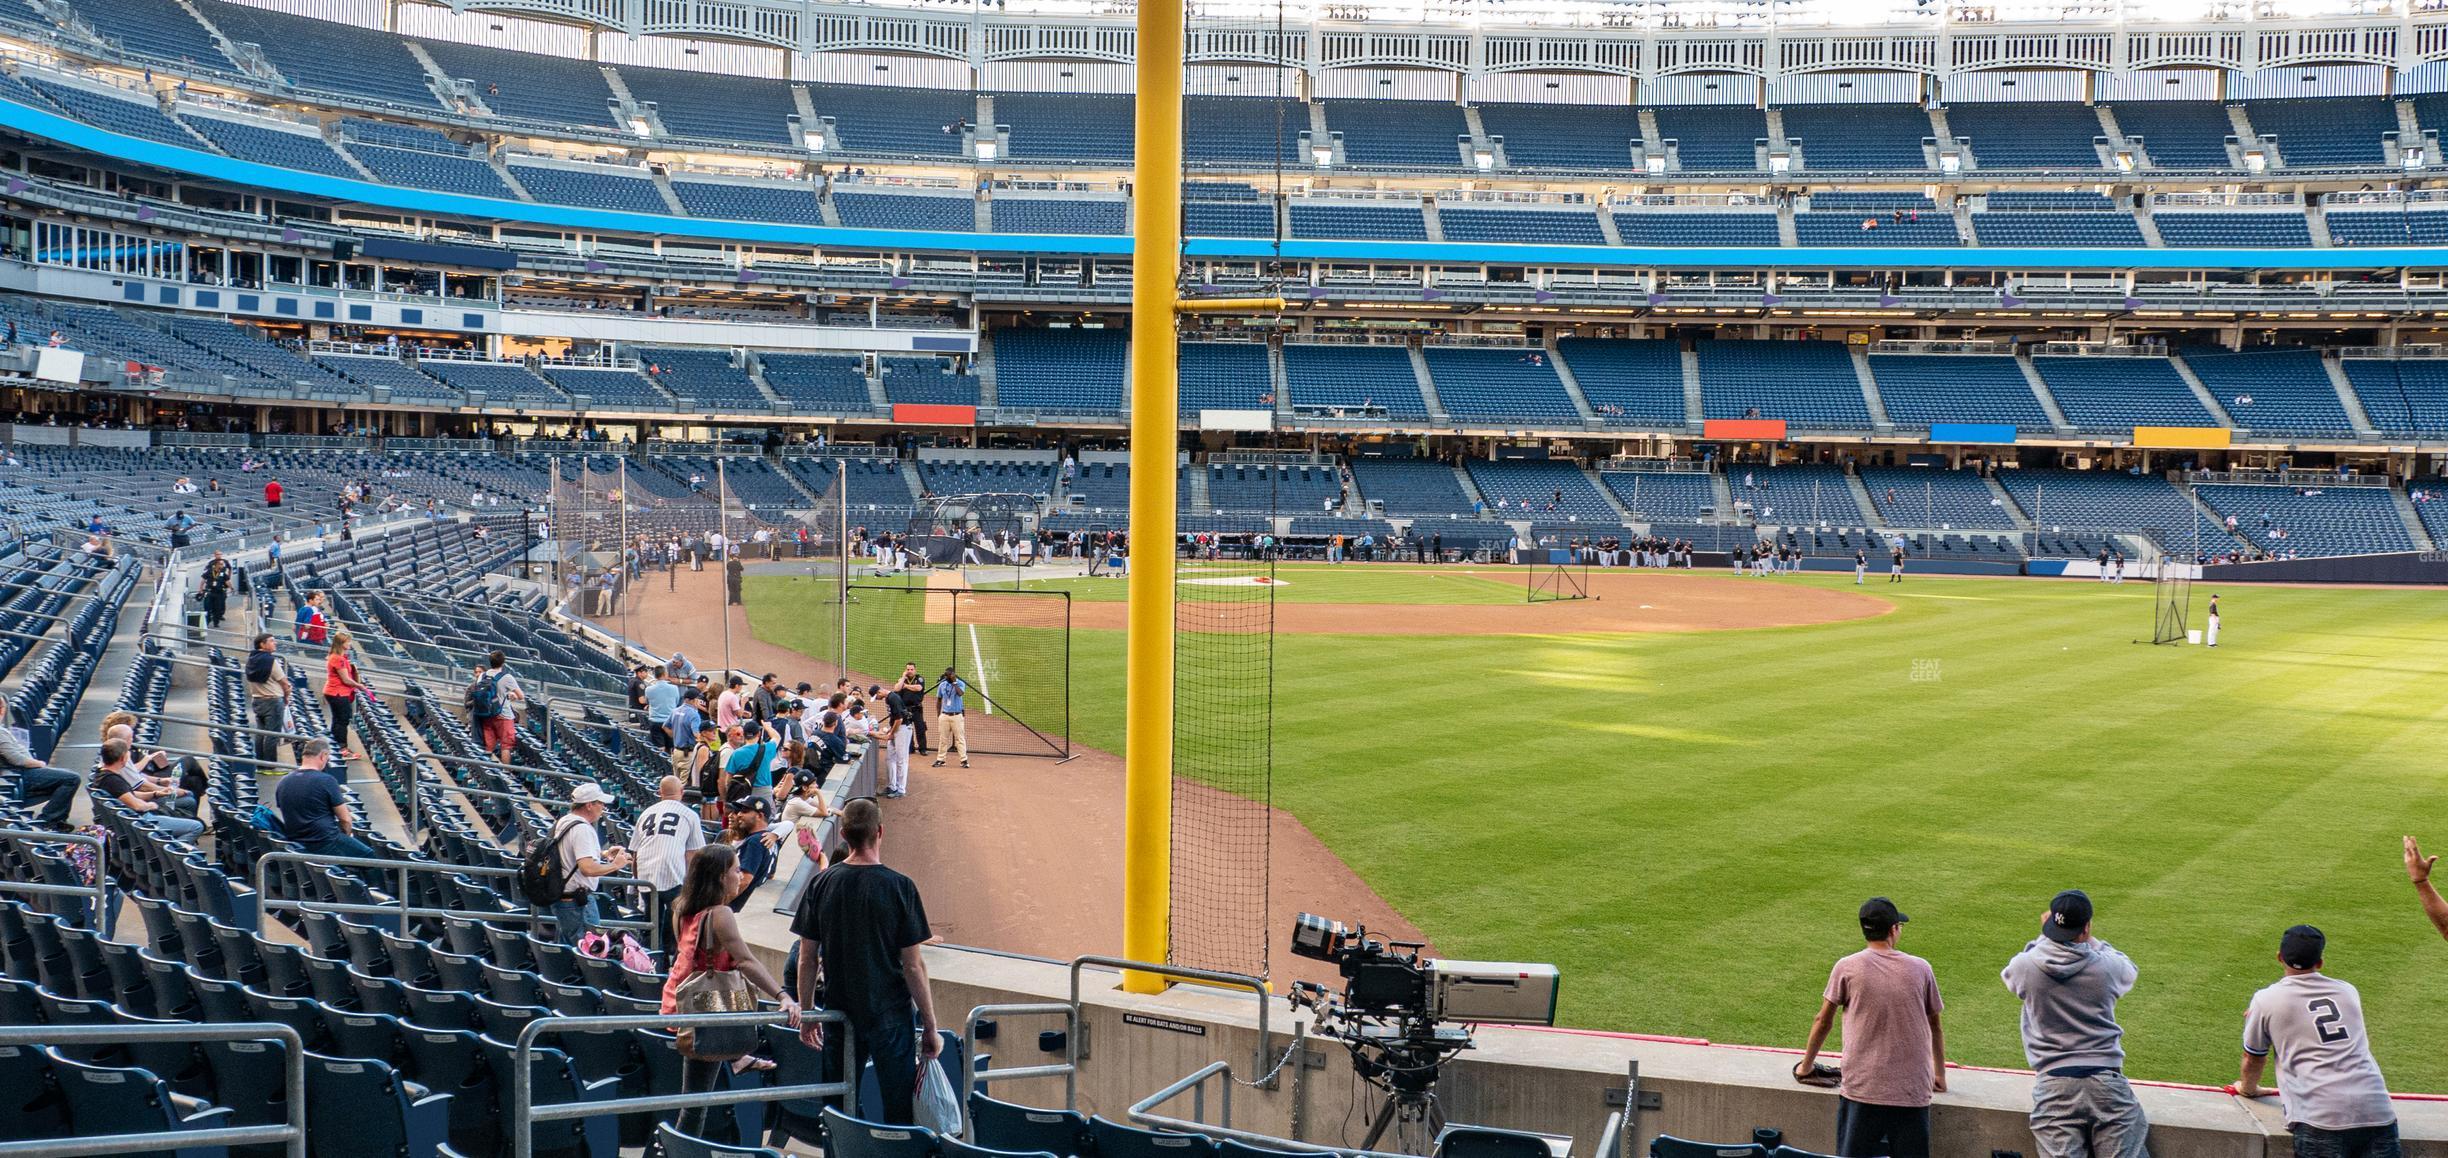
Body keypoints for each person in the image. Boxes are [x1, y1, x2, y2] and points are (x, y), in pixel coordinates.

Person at [793, 798, 940, 1125]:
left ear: (843, 835)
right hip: (891, 1016)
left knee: (835, 1109)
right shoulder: (901, 886)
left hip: (838, 1013)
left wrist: (807, 1012)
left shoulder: (822, 882)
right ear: (880, 831)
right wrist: (930, 1025)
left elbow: (806, 958)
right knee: (899, 1112)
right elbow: (913, 966)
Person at [1793, 897, 1946, 1158]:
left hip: (1862, 1089)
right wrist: (1939, 1074)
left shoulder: (1847, 967)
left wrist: (1806, 1067)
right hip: (1912, 1092)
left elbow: (1823, 1021)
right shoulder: (1921, 968)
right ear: (1893, 929)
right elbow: (1935, 1026)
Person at [664, 843, 798, 1139]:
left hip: (685, 1005)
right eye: (736, 869)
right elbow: (746, 960)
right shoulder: (720, 914)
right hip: (702, 1012)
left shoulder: (681, 909)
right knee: (695, 1104)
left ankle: (736, 1057)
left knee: (695, 1098)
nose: (741, 875)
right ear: (719, 876)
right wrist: (782, 996)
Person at [2002, 890, 2146, 1158]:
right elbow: (2129, 968)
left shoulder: (2026, 965)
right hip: (2108, 1085)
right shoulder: (2107, 967)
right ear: (2087, 927)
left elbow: (2012, 973)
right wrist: (2090, 939)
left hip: (2054, 1088)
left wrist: (2045, 937)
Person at [2234, 925, 2397, 1158]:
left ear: (2279, 957)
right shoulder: (2348, 991)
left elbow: (2253, 1058)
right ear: (2320, 962)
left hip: (2320, 1117)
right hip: (2377, 1110)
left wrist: (2247, 1089)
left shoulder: (2266, 1000)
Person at [547, 784, 635, 947]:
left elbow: (571, 852)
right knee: (589, 951)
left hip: (564, 898)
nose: (603, 807)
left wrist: (603, 854)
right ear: (589, 805)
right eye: (600, 803)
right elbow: (587, 868)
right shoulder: (582, 829)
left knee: (570, 950)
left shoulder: (566, 820)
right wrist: (616, 865)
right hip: (577, 902)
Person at [630, 776, 705, 953]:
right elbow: (693, 854)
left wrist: (636, 882)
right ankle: (667, 964)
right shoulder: (689, 814)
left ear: (660, 793)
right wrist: (692, 885)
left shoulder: (646, 813)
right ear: (682, 792)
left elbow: (635, 853)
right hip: (674, 875)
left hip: (646, 876)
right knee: (674, 927)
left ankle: (648, 963)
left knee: (651, 924)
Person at [273, 738, 369, 858]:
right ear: (323, 756)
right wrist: (346, 836)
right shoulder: (326, 780)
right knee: (370, 856)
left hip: (297, 843)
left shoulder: (283, 781)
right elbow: (345, 819)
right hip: (325, 842)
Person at [94, 738, 204, 839]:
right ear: (123, 759)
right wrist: (150, 805)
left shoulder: (103, 775)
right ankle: (176, 856)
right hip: (142, 821)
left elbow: (130, 795)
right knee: (197, 826)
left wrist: (156, 793)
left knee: (189, 803)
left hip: (134, 820)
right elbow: (136, 805)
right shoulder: (113, 781)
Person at [3, 725, 80, 832]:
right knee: (71, 778)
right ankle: (47, 821)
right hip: (18, 775)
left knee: (67, 776)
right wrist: (39, 763)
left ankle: (57, 821)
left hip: (19, 773)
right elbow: (17, 759)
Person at [319, 631, 369, 767]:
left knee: (338, 719)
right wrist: (360, 686)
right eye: (348, 642)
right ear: (342, 644)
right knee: (342, 720)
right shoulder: (338, 659)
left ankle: (338, 746)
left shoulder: (339, 657)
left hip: (336, 693)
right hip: (338, 693)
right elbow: (346, 679)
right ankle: (342, 748)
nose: (350, 644)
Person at [471, 651, 524, 766]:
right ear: (503, 663)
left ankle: (486, 770)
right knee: (506, 746)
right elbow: (521, 696)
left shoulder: (482, 675)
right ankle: (506, 773)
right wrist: (512, 695)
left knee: (488, 746)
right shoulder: (507, 677)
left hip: (486, 713)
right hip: (503, 715)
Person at [245, 634, 291, 768]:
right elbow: (283, 682)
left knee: (261, 733)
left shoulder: (252, 659)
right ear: (262, 644)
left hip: (257, 700)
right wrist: (287, 695)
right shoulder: (271, 661)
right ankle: (270, 766)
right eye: (271, 641)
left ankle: (260, 764)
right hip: (272, 701)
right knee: (272, 734)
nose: (274, 644)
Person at [931, 668, 969, 769]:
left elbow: (961, 693)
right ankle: (941, 760)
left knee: (960, 739)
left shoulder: (960, 684)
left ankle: (964, 760)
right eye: (946, 675)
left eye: (948, 676)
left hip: (957, 715)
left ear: (953, 675)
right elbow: (939, 700)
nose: (946, 678)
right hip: (945, 715)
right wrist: (939, 715)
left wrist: (954, 683)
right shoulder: (942, 685)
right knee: (943, 739)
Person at [199, 552, 232, 629]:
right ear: (216, 565)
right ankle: (207, 621)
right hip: (210, 592)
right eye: (220, 564)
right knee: (207, 608)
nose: (222, 566)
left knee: (218, 608)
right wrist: (200, 589)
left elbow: (227, 580)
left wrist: (231, 588)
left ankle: (216, 622)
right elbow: (203, 580)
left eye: (222, 564)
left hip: (219, 593)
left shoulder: (223, 573)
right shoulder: (210, 571)